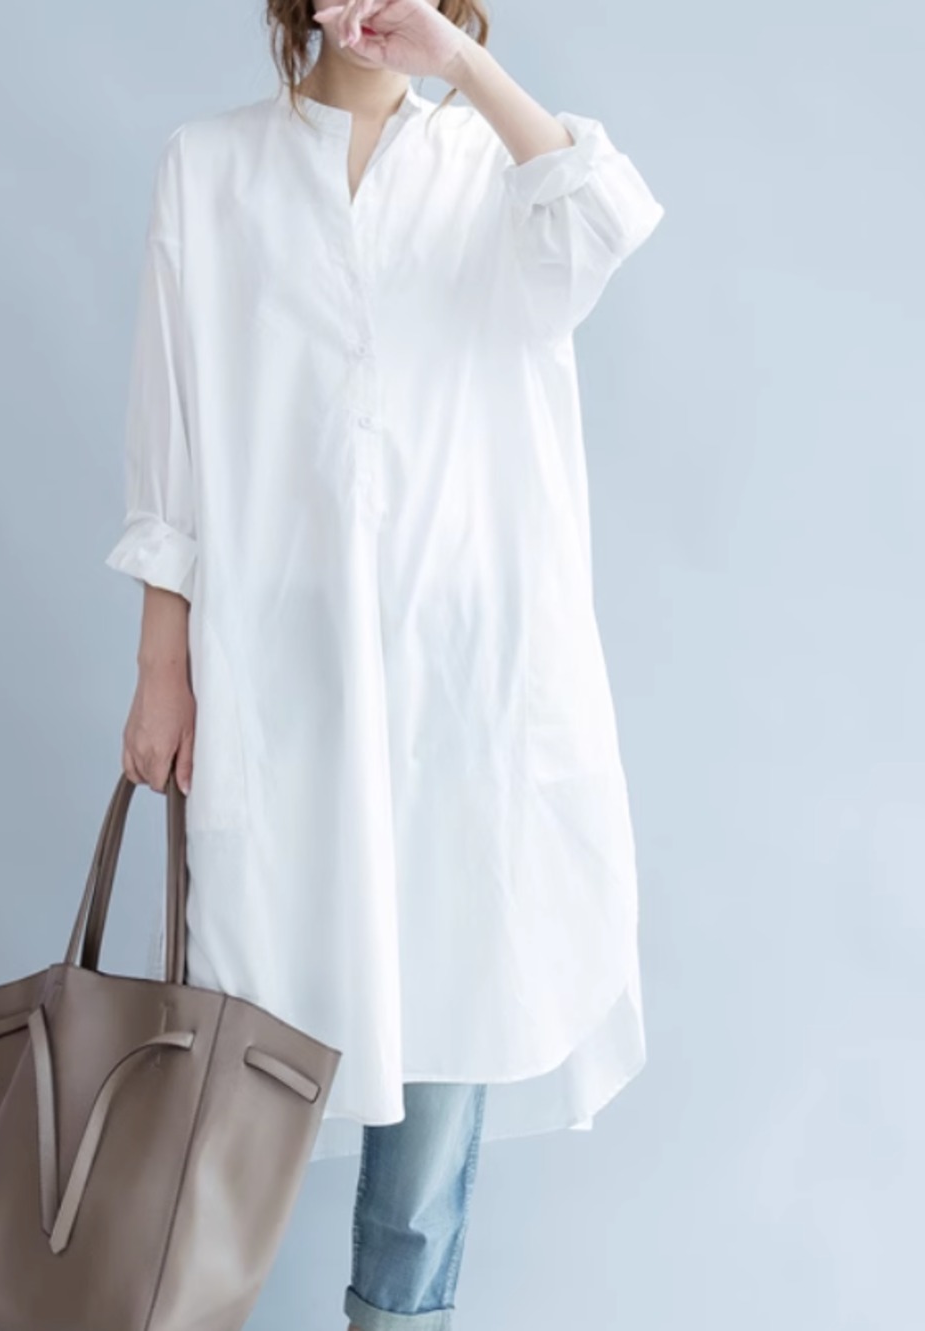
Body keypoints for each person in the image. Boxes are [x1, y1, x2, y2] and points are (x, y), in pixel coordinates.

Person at [105, 2, 664, 1327]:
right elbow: (172, 428)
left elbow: (606, 218)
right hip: (280, 668)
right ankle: (177, 1309)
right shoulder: (211, 164)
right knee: (246, 1023)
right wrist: (162, 664)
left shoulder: (496, 167)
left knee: (451, 996)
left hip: (465, 678)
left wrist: (461, 67)